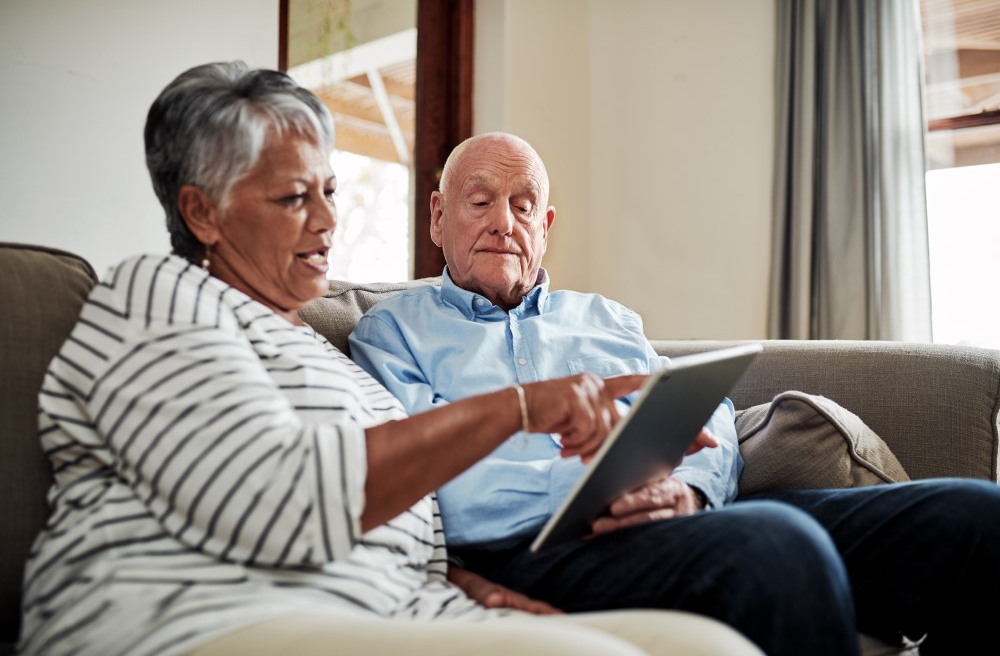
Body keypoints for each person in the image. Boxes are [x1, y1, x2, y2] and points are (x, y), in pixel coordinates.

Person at [15, 64, 764, 656]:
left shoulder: (327, 357)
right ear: (201, 212)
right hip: (194, 621)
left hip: (401, 610)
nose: (331, 220)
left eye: (332, 191)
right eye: (293, 197)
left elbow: (409, 516)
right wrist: (524, 406)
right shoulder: (160, 297)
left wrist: (456, 577)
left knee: (708, 645)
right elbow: (283, 504)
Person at [348, 131, 1000, 656]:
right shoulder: (393, 332)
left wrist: (687, 488)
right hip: (534, 552)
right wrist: (596, 485)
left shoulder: (605, 317)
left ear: (545, 224)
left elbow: (705, 416)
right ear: (438, 215)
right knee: (778, 544)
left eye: (522, 205)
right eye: (480, 200)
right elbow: (430, 486)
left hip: (684, 514)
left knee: (974, 517)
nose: (502, 222)